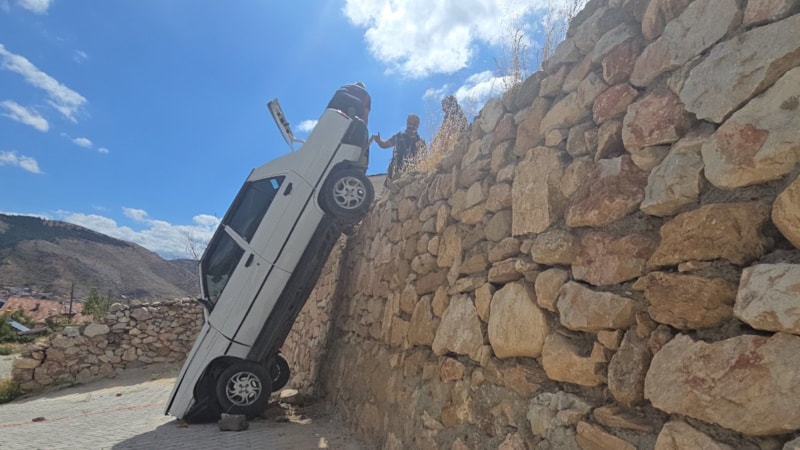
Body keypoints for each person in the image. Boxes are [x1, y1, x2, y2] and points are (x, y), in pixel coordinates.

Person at [371, 114, 427, 179]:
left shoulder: (420, 141)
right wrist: (379, 141)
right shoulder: (399, 137)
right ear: (406, 123)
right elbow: (385, 145)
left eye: (414, 124)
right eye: (409, 123)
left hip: (411, 175)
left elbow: (425, 158)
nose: (411, 126)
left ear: (418, 126)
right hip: (394, 173)